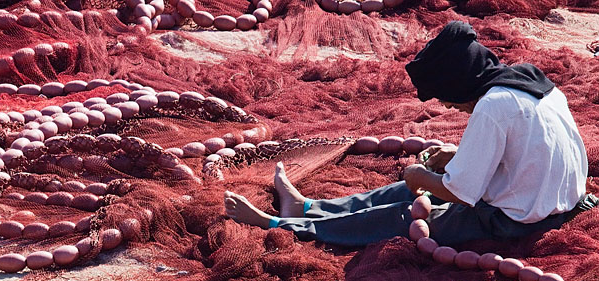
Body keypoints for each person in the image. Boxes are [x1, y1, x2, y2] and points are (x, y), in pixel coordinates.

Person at [224, 21, 594, 246]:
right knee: (412, 188)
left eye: (447, 99)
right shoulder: (528, 80)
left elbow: (460, 193)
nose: (449, 107)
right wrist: (452, 161)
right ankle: (306, 208)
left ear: (459, 82)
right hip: (553, 200)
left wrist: (420, 175)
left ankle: (282, 225)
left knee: (403, 212)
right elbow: (528, 153)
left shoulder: (492, 106)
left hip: (517, 221)